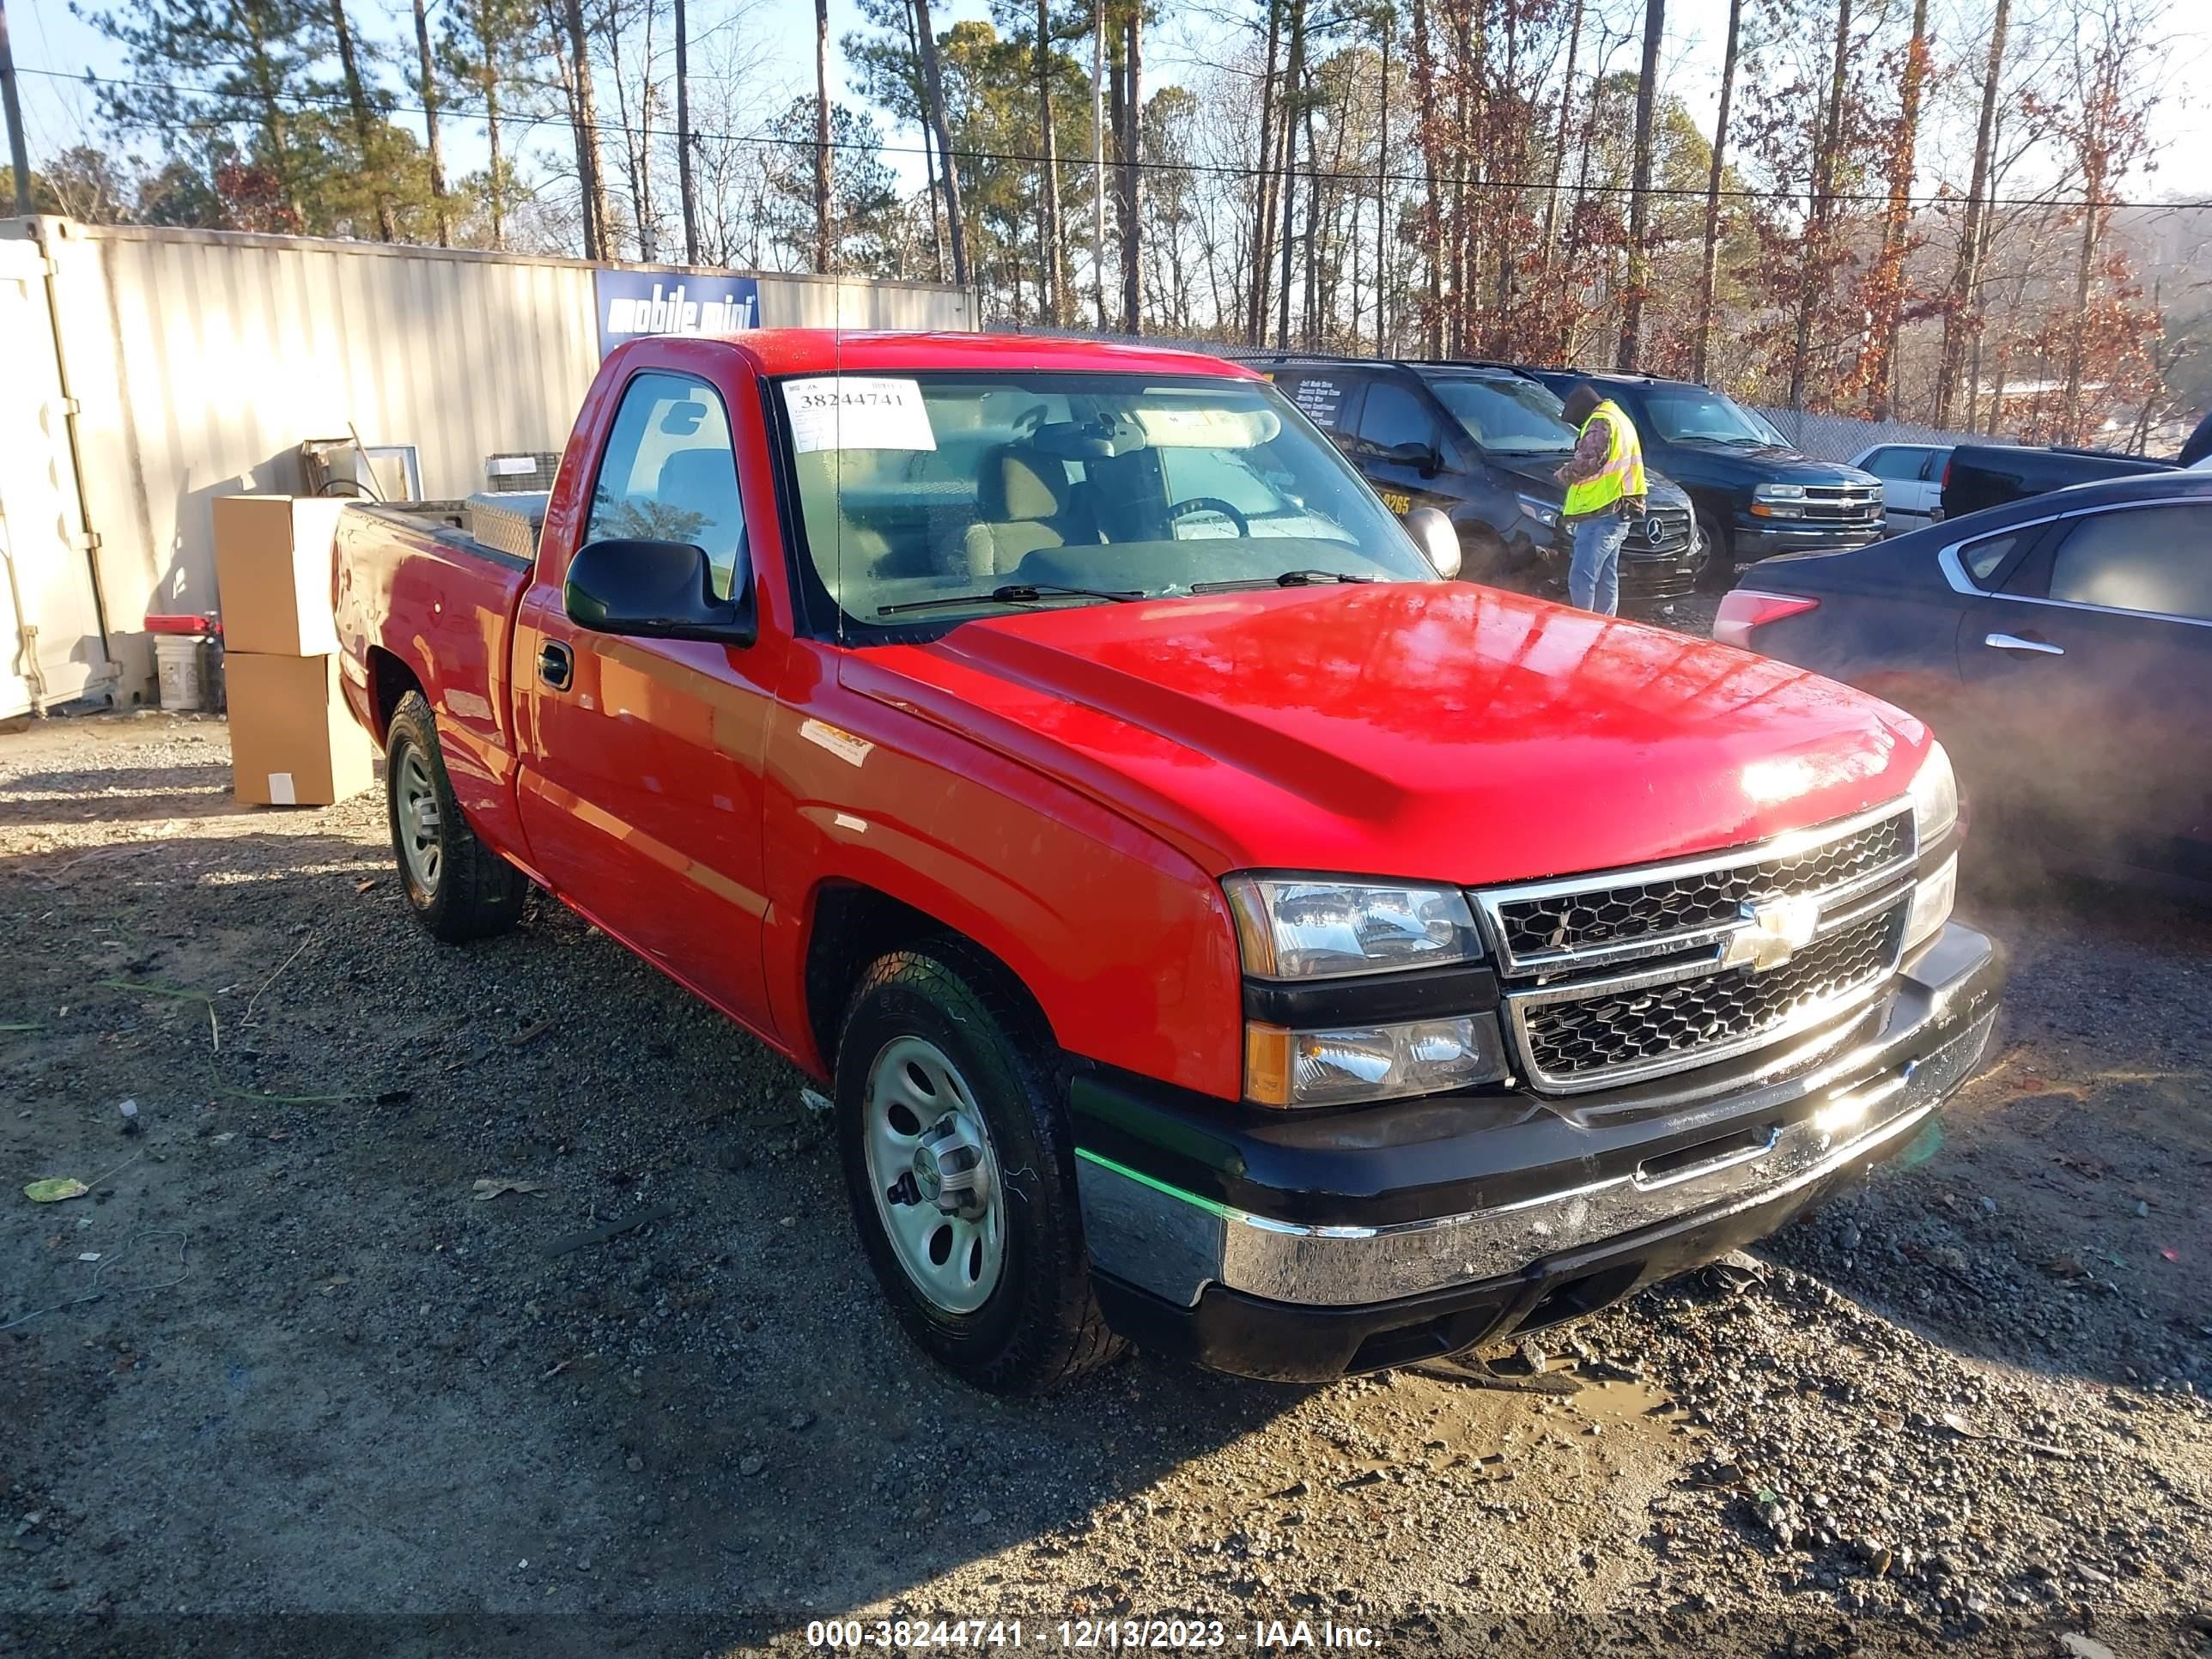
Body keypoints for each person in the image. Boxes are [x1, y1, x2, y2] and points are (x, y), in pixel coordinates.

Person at [1553, 382, 1647, 616]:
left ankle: (1583, 627)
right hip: (1619, 509)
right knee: (1606, 576)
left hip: (1601, 512)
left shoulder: (1600, 423)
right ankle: (1605, 629)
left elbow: (1588, 461)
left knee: (1581, 575)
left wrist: (1564, 473)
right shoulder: (1618, 417)